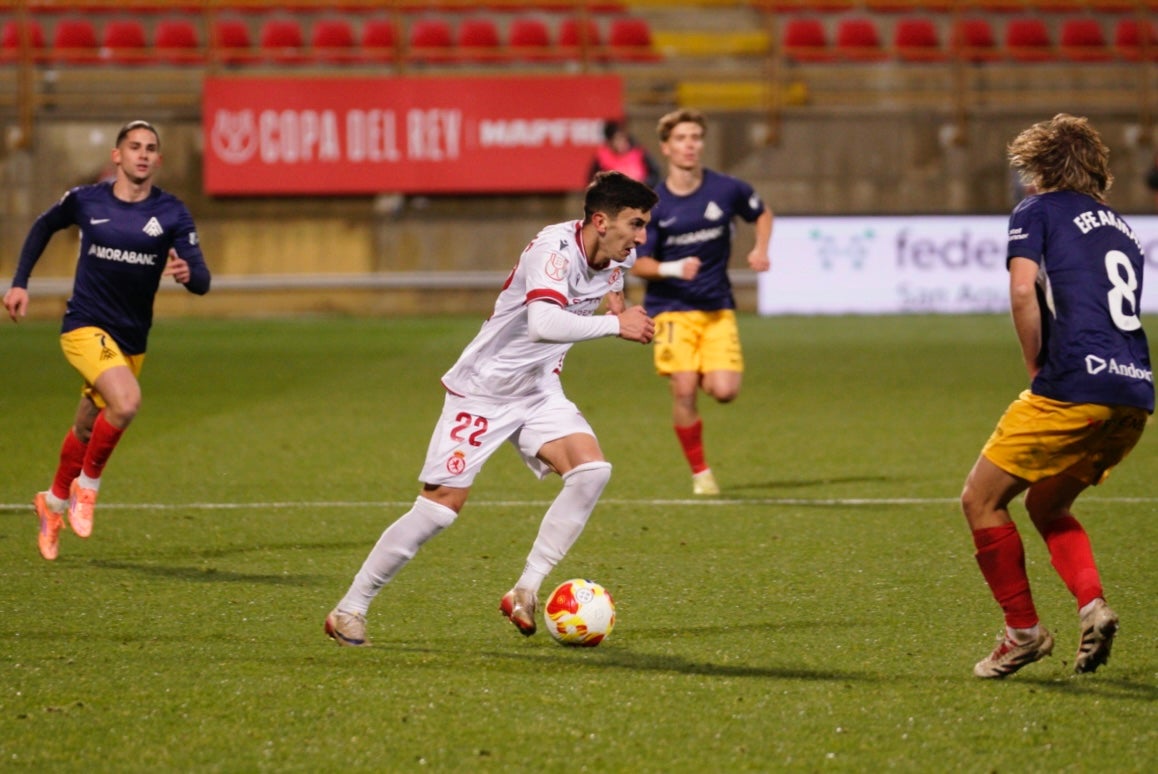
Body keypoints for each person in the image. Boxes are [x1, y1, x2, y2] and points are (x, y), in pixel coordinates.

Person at [325, 171, 658, 647]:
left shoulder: (616, 254)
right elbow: (542, 322)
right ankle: (349, 609)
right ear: (601, 222)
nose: (642, 236)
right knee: (440, 510)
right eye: (636, 224)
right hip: (484, 390)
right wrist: (614, 327)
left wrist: (616, 307)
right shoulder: (553, 251)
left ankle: (524, 590)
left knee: (591, 472)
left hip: (539, 389)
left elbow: (610, 287)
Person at [961, 114, 1152, 679]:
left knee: (980, 500)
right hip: (1134, 393)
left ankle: (1022, 633)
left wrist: (1036, 367)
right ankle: (1092, 606)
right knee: (1047, 503)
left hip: (1073, 385)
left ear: (1040, 168)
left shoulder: (1036, 210)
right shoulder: (1120, 227)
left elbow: (1024, 291)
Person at [3, 120, 211, 561]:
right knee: (128, 402)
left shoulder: (172, 213)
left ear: (157, 159)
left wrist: (189, 274)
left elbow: (202, 279)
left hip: (130, 338)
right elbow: (42, 227)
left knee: (86, 424)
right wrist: (19, 282)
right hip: (83, 325)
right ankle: (87, 487)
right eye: (134, 146)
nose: (142, 154)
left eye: (150, 148)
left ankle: (53, 502)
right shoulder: (86, 200)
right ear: (117, 155)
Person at [629, 108, 772, 496]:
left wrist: (760, 248)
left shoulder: (728, 189)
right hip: (671, 309)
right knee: (684, 389)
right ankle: (701, 474)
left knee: (724, 392)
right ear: (666, 147)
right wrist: (675, 270)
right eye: (681, 138)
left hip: (716, 307)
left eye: (695, 137)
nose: (689, 145)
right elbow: (638, 263)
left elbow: (761, 214)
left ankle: (704, 370)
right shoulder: (652, 204)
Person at [588, 119, 661, 189]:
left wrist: (644, 184)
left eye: (623, 138)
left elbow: (655, 174)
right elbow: (593, 182)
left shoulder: (639, 153)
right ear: (610, 142)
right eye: (617, 140)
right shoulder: (602, 158)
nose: (621, 143)